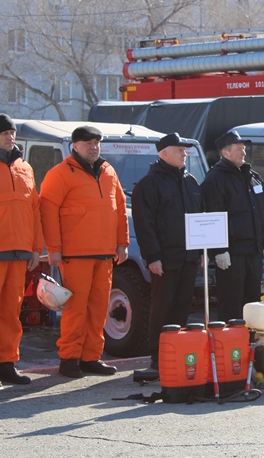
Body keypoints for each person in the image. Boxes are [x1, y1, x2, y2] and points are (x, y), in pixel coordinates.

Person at [40, 125, 129, 378]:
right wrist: (54, 249)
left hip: (104, 254)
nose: (93, 147)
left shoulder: (108, 171)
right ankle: (69, 359)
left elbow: (119, 209)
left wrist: (122, 243)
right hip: (75, 254)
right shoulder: (60, 173)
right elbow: (48, 213)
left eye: (96, 142)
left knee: (99, 308)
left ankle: (91, 357)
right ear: (74, 146)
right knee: (75, 309)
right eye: (87, 143)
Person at [132, 133, 203, 370]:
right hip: (165, 259)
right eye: (179, 150)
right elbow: (145, 224)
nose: (184, 153)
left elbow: (199, 219)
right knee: (162, 307)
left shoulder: (190, 181)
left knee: (182, 306)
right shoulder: (149, 184)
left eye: (185, 149)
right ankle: (158, 356)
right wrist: (152, 257)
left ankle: (177, 351)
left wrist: (202, 251)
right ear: (163, 154)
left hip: (189, 257)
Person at [201, 131, 264, 322]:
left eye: (243, 149)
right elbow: (212, 215)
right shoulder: (216, 179)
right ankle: (230, 346)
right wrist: (219, 250)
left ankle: (249, 342)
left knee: (252, 303)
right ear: (225, 153)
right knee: (231, 302)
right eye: (238, 149)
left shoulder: (253, 177)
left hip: (254, 252)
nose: (243, 153)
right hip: (232, 254)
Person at [0, 114, 43, 385]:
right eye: (4, 133)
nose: (10, 136)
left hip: (19, 252)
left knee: (11, 312)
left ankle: (7, 363)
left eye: (12, 133)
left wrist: (35, 249)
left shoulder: (25, 168)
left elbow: (35, 211)